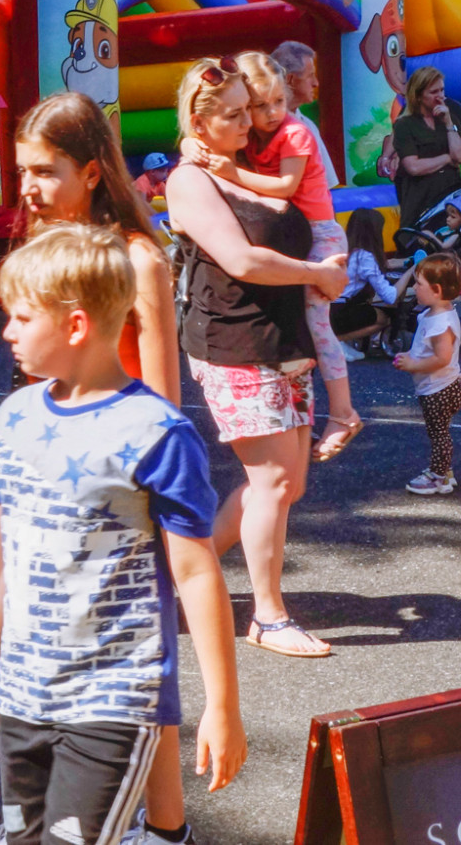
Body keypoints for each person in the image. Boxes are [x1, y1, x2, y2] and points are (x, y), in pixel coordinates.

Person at [0, 224, 245, 845]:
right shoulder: (16, 416)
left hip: (114, 700)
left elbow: (194, 572)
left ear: (76, 325)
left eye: (22, 318)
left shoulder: (155, 432)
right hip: (26, 694)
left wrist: (223, 706)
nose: (5, 332)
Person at [0, 90, 196, 839]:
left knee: (143, 672)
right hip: (56, 482)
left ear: (90, 171)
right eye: (22, 171)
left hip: (126, 481)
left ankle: (168, 827)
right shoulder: (42, 249)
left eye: (45, 171)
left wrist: (157, 493)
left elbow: (166, 390)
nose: (30, 188)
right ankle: (45, 796)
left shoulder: (137, 257)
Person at [164, 57, 347, 660]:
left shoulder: (239, 166)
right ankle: (267, 617)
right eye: (237, 115)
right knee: (270, 480)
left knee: (285, 484)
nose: (253, 123)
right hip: (236, 343)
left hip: (283, 340)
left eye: (252, 110)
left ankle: (180, 571)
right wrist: (318, 273)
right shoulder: (190, 181)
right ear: (200, 119)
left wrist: (323, 275)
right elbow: (241, 262)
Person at [180, 52, 363, 461]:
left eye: (269, 104)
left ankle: (344, 411)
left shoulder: (293, 132)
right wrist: (194, 144)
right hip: (243, 343)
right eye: (251, 108)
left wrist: (228, 171)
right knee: (278, 485)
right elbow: (242, 258)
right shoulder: (245, 143)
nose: (262, 116)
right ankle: (342, 411)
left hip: (320, 240)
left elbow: (283, 186)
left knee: (319, 325)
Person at [394, 253, 461, 496]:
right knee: (439, 431)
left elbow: (442, 358)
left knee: (438, 433)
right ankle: (443, 470)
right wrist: (412, 355)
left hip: (440, 389)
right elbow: (427, 349)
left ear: (436, 290)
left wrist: (413, 364)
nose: (414, 287)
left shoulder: (440, 324)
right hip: (441, 386)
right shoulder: (436, 314)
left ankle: (439, 477)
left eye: (418, 283)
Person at [392, 67, 461, 229]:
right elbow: (413, 167)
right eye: (434, 92)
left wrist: (449, 123)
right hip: (420, 200)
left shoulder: (450, 116)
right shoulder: (405, 124)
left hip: (449, 198)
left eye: (442, 90)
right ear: (419, 96)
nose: (440, 97)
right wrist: (447, 158)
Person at [331, 208, 404, 358]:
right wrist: (410, 272)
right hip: (339, 311)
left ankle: (337, 341)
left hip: (328, 307)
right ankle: (335, 341)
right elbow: (389, 296)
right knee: (383, 319)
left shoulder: (346, 250)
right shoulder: (365, 257)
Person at [270, 40, 341, 185]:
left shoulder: (307, 124)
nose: (316, 83)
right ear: (290, 79)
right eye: (310, 76)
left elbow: (327, 184)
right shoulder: (268, 124)